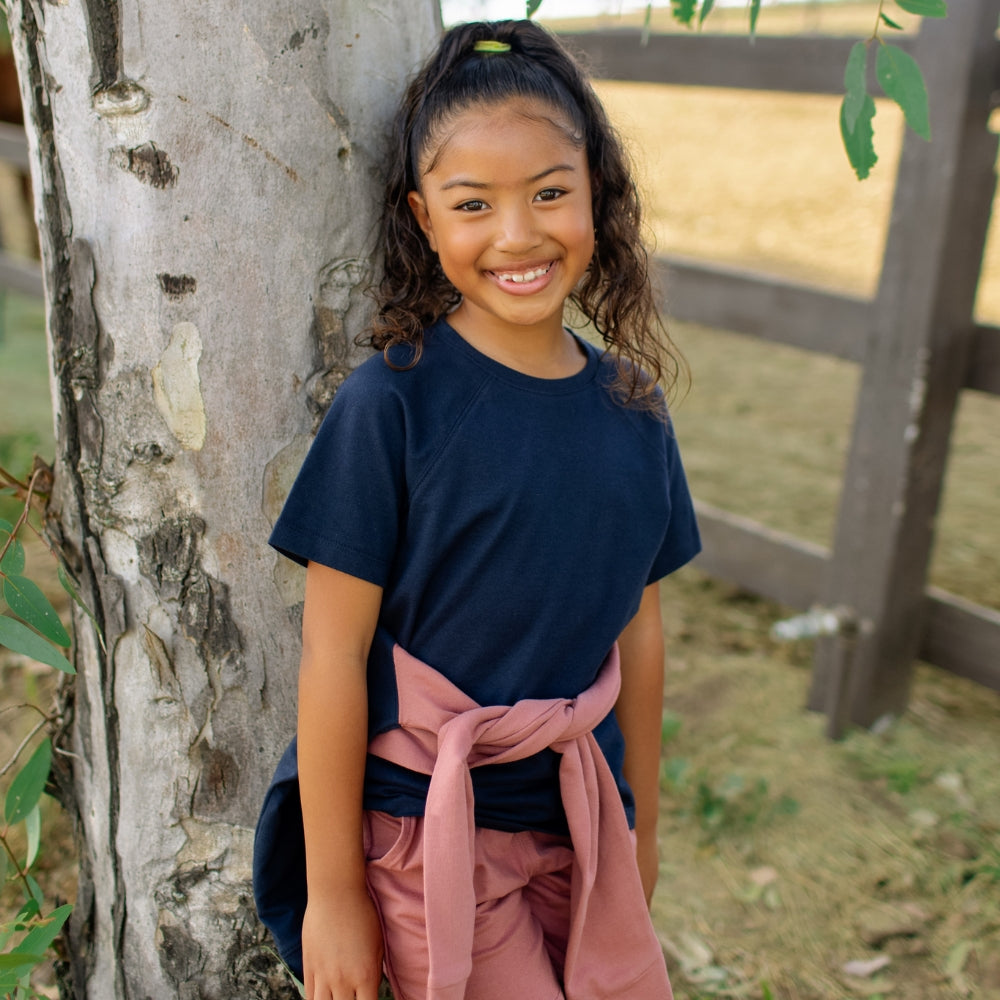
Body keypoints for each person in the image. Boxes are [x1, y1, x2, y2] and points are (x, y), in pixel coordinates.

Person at [254, 18, 701, 1000]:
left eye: (549, 192)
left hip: (579, 821)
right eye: (473, 205)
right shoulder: (392, 406)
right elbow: (332, 654)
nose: (517, 234)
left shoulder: (633, 408)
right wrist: (335, 893)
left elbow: (640, 631)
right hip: (428, 833)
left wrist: (641, 827)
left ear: (597, 192)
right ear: (424, 219)